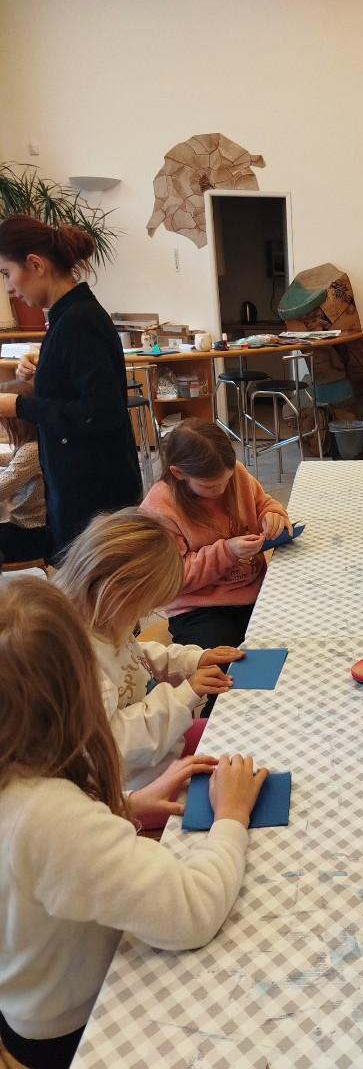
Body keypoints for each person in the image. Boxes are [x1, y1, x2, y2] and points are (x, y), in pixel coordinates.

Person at [0, 577, 267, 1069]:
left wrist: (125, 805)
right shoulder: (49, 816)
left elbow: (36, 860)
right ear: (76, 693)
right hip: (81, 1027)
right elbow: (193, 909)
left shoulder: (24, 786)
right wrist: (231, 815)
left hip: (29, 1010)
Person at [54, 509, 245, 795]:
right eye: (144, 606)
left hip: (164, 748)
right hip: (139, 787)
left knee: (237, 736)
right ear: (114, 591)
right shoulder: (79, 661)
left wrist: (194, 660)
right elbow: (117, 743)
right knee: (231, 792)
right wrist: (185, 695)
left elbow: (137, 658)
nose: (145, 615)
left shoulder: (103, 619)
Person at [0, 215, 141, 560]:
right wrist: (41, 368)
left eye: (6, 273)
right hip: (82, 483)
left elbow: (100, 412)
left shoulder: (78, 320)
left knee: (97, 586)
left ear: (35, 264)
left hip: (93, 492)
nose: (8, 287)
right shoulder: (68, 315)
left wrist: (18, 405)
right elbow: (75, 385)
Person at [140, 419, 292, 649]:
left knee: (289, 642)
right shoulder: (159, 508)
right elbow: (172, 578)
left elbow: (263, 503)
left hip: (254, 591)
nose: (221, 490)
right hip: (198, 608)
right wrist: (227, 552)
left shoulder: (235, 474)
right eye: (210, 487)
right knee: (222, 662)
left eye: (226, 481)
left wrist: (271, 515)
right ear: (178, 473)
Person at [0, 380, 47, 563]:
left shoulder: (31, 451)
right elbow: (12, 459)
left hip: (30, 535)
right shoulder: (33, 444)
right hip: (25, 529)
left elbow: (2, 488)